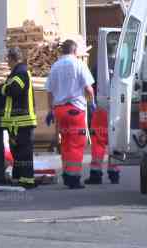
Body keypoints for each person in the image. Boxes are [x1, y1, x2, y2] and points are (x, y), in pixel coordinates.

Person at [45, 39, 95, 189]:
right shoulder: (79, 64)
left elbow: (49, 91)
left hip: (60, 110)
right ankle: (73, 178)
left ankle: (66, 173)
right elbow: (88, 88)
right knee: (76, 144)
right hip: (75, 110)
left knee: (66, 142)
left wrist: (50, 110)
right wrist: (91, 102)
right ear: (74, 51)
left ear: (62, 51)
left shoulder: (55, 66)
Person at [0, 47, 37, 189]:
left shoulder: (20, 72)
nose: (7, 61)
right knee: (18, 152)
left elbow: (13, 89)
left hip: (22, 121)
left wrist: (3, 88)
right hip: (18, 121)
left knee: (24, 152)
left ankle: (27, 180)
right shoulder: (18, 72)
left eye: (8, 58)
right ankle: (19, 177)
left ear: (13, 58)